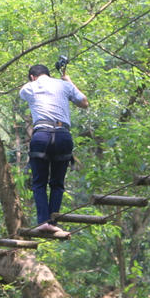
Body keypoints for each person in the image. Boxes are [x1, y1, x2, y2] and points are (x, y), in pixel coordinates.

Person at [19, 63, 88, 237]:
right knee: (57, 184)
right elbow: (84, 103)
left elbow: (26, 95)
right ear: (48, 74)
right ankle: (53, 222)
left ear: (32, 76)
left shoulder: (29, 87)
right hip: (63, 136)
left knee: (39, 183)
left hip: (41, 135)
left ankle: (43, 222)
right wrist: (69, 82)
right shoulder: (64, 85)